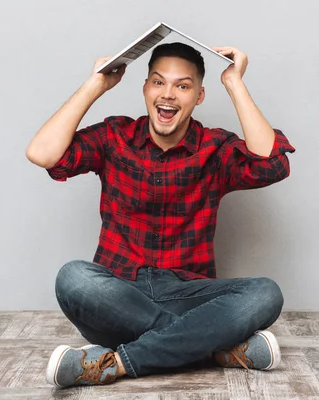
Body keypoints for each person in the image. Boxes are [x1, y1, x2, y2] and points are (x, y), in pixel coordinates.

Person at [26, 42, 295, 388]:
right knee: (74, 279)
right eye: (158, 82)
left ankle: (117, 363)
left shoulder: (214, 148)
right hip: (117, 297)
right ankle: (210, 348)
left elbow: (272, 164)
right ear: (145, 88)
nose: (168, 94)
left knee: (265, 293)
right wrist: (96, 84)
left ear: (199, 96)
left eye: (182, 86)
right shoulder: (114, 136)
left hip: (188, 295)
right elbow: (42, 153)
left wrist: (235, 83)